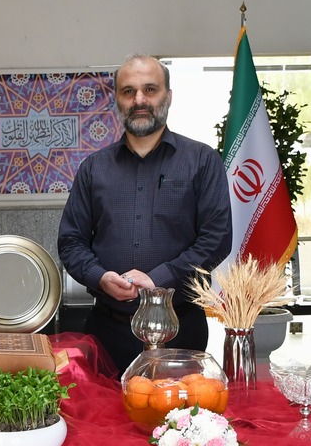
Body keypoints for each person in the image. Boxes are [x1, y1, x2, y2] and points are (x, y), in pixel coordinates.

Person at [58, 54, 232, 374]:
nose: (139, 100)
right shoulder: (93, 168)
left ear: (168, 96)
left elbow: (217, 239)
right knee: (103, 408)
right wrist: (100, 277)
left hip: (181, 330)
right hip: (107, 333)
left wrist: (158, 280)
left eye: (150, 89)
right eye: (129, 91)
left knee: (180, 407)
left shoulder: (202, 161)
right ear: (117, 100)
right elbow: (70, 242)